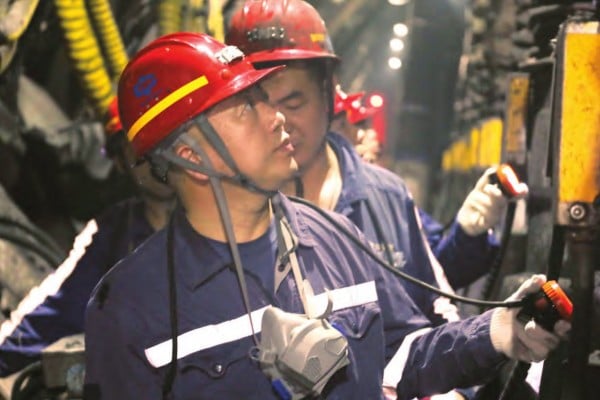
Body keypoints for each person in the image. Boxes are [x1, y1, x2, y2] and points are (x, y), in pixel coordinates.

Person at [83, 32, 568, 400]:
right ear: (191, 157)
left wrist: (496, 332)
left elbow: (399, 357)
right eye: (243, 107)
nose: (274, 115)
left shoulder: (333, 237)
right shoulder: (130, 310)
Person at [225, 0, 512, 324]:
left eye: (293, 102)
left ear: (329, 91)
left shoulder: (386, 196)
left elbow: (435, 305)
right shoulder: (226, 211)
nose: (278, 121)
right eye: (256, 106)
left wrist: (492, 333)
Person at [0, 97, 176, 377]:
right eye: (142, 147)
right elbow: (56, 309)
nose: (158, 157)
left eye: (165, 138)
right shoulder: (113, 232)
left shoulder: (235, 213)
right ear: (120, 161)